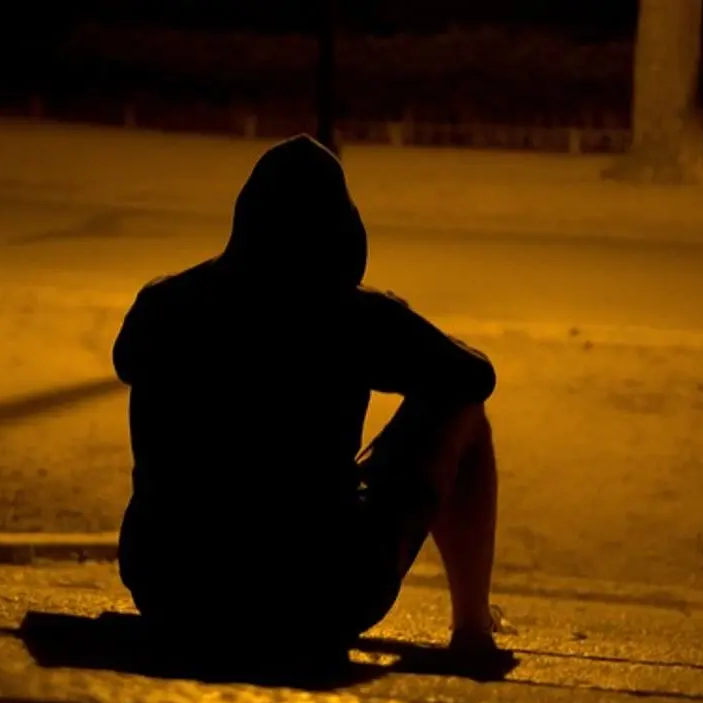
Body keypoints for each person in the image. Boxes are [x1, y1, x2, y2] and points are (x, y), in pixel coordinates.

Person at [112, 134, 508, 667]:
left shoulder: (164, 305)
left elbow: (127, 360)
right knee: (463, 413)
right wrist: (386, 325)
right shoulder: (356, 318)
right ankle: (472, 629)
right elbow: (474, 377)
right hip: (320, 594)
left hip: (169, 586)